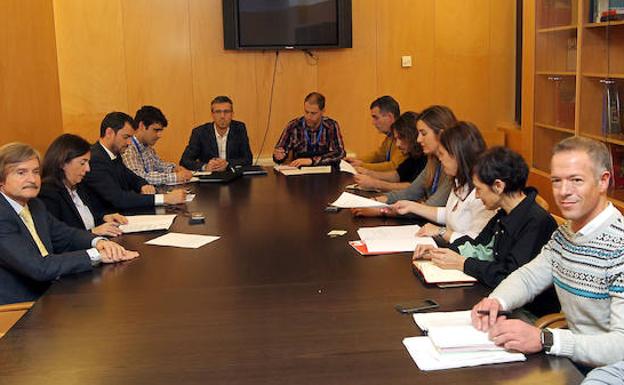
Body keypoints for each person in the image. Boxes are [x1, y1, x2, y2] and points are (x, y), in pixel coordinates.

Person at [472, 137, 624, 368]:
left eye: (576, 180)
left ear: (603, 181)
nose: (563, 191)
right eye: (556, 181)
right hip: (574, 360)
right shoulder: (565, 234)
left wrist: (546, 339)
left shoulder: (619, 247)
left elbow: (620, 346)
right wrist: (496, 301)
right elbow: (529, 277)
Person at [414, 146, 559, 316]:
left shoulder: (536, 222)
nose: (476, 196)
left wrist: (463, 263)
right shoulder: (504, 213)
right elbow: (478, 245)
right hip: (498, 297)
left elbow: (510, 275)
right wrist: (441, 252)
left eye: (479, 189)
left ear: (498, 186)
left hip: (527, 312)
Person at [0, 143, 138, 305]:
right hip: (18, 308)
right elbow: (39, 267)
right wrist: (96, 255)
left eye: (36, 172)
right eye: (21, 172)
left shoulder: (35, 205)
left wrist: (99, 242)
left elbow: (66, 235)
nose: (32, 179)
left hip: (51, 291)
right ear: (1, 180)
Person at [393, 121, 495, 243]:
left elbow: (477, 241)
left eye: (442, 154)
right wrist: (411, 206)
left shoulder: (482, 191)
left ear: (457, 155)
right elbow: (449, 214)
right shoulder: (459, 180)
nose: (440, 159)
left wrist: (441, 232)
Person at [350, 105, 455, 217]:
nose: (418, 139)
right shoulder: (433, 161)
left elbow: (429, 208)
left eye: (423, 134)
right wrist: (379, 200)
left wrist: (382, 210)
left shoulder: (453, 166)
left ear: (441, 134)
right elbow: (410, 192)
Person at [82, 112, 186, 215]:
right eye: (126, 137)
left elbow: (131, 176)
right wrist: (165, 198)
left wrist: (143, 185)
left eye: (130, 138)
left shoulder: (114, 153)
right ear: (109, 133)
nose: (129, 142)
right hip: (108, 221)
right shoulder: (95, 159)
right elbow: (119, 198)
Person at [39, 134, 127, 237]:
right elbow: (58, 237)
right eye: (82, 163)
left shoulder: (80, 186)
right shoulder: (48, 193)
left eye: (88, 162)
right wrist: (92, 233)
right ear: (62, 163)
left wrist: (104, 218)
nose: (88, 169)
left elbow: (84, 221)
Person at [351, 111, 426, 192]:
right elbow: (397, 175)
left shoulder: (427, 157)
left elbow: (415, 187)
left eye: (400, 138)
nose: (397, 144)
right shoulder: (413, 156)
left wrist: (375, 183)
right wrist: (367, 172)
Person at [122, 105, 193, 185]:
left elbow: (159, 166)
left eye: (160, 131)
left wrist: (174, 169)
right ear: (142, 126)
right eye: (156, 130)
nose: (159, 135)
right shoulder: (128, 148)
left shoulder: (147, 147)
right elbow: (139, 177)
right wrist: (176, 177)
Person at [180, 96, 253, 171]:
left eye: (226, 112)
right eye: (218, 112)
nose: (222, 116)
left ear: (232, 114)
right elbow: (185, 161)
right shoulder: (200, 132)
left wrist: (227, 163)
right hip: (209, 178)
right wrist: (205, 167)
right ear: (212, 114)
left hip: (233, 176)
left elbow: (248, 159)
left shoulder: (239, 128)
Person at [273, 92, 346, 167]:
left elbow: (340, 153)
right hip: (299, 172)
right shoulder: (293, 126)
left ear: (323, 111)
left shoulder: (331, 126)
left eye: (313, 113)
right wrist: (278, 156)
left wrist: (312, 161)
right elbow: (280, 151)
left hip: (325, 171)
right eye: (306, 112)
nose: (308, 116)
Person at [345, 96, 406, 171]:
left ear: (390, 117)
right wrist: (355, 160)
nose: (373, 123)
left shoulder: (403, 137)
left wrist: (362, 165)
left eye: (376, 117)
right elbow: (378, 156)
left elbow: (394, 166)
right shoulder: (390, 136)